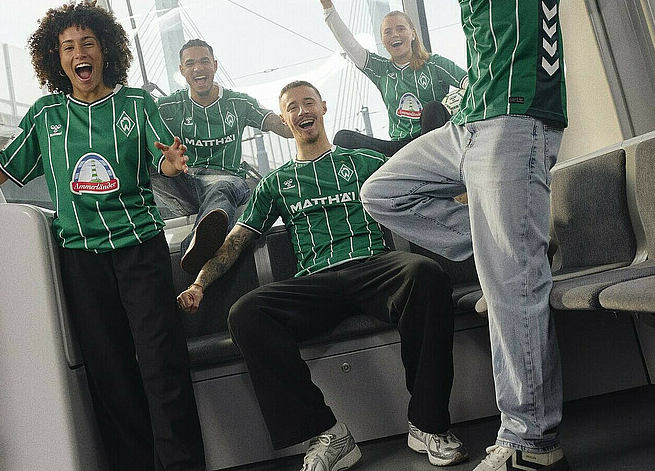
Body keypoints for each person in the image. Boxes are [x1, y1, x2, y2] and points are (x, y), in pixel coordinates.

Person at [0, 1, 205, 471]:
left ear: (105, 50)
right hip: (82, 260)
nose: (79, 53)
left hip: (140, 252)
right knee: (110, 375)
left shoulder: (136, 102)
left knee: (162, 366)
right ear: (57, 58)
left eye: (87, 43)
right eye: (68, 47)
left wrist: (169, 163)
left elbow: (163, 156)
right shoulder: (46, 112)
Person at [362, 0, 588, 470]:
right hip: (465, 126)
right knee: (382, 191)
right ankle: (514, 245)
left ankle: (529, 440)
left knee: (509, 283)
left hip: (516, 122)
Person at [177, 80, 465, 470]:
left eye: (308, 103)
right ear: (284, 119)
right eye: (292, 107)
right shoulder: (275, 183)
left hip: (372, 268)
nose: (302, 112)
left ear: (324, 107)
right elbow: (236, 242)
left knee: (425, 273)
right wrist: (198, 284)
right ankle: (328, 434)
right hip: (316, 282)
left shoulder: (364, 162)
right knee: (246, 312)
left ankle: (428, 424)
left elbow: (425, 189)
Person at [153, 38, 293, 274]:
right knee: (147, 173)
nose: (198, 68)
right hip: (185, 180)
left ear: (215, 65)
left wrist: (301, 117)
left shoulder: (239, 103)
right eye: (190, 63)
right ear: (182, 71)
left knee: (222, 187)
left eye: (204, 61)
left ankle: (194, 247)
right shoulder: (168, 106)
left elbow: (279, 125)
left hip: (227, 178)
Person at [316, 0, 468, 156]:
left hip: (434, 140)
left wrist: (455, 109)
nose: (394, 34)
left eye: (400, 28)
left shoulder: (434, 63)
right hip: (401, 148)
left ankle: (432, 162)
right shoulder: (381, 70)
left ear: (412, 34)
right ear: (383, 40)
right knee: (343, 139)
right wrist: (328, 7)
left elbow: (472, 83)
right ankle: (389, 166)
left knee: (432, 108)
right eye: (388, 32)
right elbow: (351, 46)